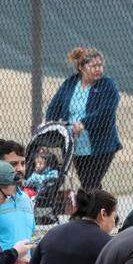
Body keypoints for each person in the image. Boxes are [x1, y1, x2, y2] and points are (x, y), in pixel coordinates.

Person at [44, 46, 122, 190]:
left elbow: (106, 112)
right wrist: (53, 123)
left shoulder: (107, 85)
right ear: (81, 67)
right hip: (76, 145)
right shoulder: (70, 83)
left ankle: (100, 211)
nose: (99, 69)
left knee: (90, 185)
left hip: (101, 146)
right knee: (91, 187)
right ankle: (105, 212)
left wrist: (83, 124)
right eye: (94, 66)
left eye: (100, 65)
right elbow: (54, 106)